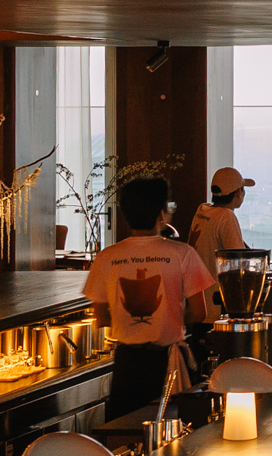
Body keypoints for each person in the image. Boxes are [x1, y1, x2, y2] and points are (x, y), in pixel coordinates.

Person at [84, 173, 217, 419]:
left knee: (123, 430)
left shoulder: (107, 257)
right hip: (168, 362)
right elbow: (199, 313)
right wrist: (168, 318)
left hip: (126, 363)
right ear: (161, 214)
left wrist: (131, 323)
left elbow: (101, 316)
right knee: (172, 430)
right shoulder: (183, 254)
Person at [188, 168, 256, 266]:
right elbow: (239, 262)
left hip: (196, 275)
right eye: (243, 189)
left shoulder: (202, 209)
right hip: (213, 276)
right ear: (239, 193)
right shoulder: (226, 216)